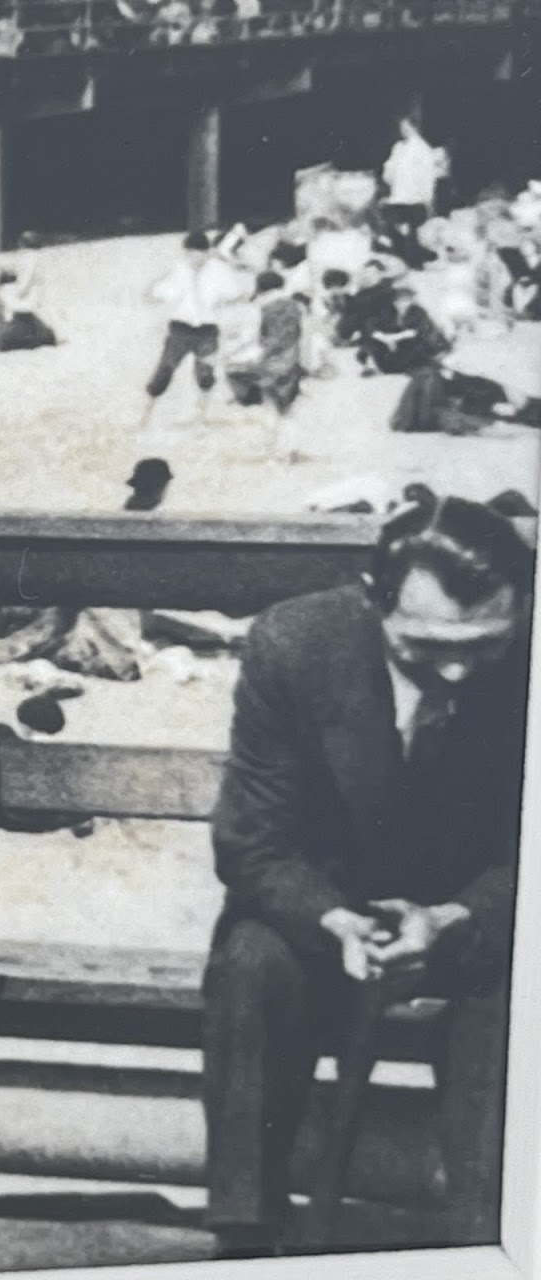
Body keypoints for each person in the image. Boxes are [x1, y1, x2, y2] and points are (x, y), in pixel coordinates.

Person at [203, 494, 532, 1257]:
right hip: (335, 911)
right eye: (426, 644)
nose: (456, 667)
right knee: (252, 962)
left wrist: (459, 918)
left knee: (515, 1004)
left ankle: (487, 1241)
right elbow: (252, 843)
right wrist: (332, 919)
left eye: (485, 645)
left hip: (485, 919)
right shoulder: (296, 645)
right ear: (372, 601)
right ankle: (244, 1237)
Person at [139, 231, 246, 429]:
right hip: (180, 328)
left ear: (207, 253)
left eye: (200, 254)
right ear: (186, 253)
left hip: (207, 328)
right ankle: (145, 416)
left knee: (205, 374)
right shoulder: (178, 270)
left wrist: (224, 305)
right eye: (191, 254)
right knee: (165, 370)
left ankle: (201, 417)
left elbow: (237, 294)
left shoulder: (220, 270)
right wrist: (154, 288)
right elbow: (155, 294)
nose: (196, 258)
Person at [226, 271, 303, 417]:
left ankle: (251, 398)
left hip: (277, 359)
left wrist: (252, 354)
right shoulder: (294, 305)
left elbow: (271, 341)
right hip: (294, 356)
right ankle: (282, 390)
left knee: (232, 369)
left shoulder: (267, 308)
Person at [380, 118, 443, 268]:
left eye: (405, 126)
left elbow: (427, 176)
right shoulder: (398, 147)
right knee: (397, 232)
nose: (403, 130)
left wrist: (427, 199)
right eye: (401, 127)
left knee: (414, 235)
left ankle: (415, 265)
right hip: (398, 197)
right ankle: (401, 263)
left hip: (415, 199)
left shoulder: (423, 149)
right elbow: (389, 172)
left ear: (414, 127)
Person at [357, 281, 449, 376]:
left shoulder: (418, 312)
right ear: (393, 302)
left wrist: (391, 338)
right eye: (398, 300)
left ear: (411, 301)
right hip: (393, 346)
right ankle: (372, 365)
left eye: (406, 300)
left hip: (412, 345)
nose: (402, 304)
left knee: (416, 351)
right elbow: (370, 326)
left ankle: (422, 366)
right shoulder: (386, 312)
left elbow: (415, 332)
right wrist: (383, 337)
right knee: (370, 344)